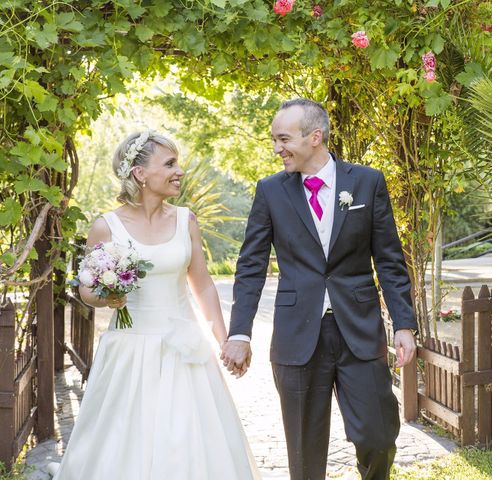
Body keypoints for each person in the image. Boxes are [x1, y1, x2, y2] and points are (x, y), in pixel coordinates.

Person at [221, 99, 417, 480]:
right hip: (297, 336)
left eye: (283, 139)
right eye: (274, 140)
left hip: (358, 331)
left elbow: (389, 260)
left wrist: (405, 324)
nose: (277, 148)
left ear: (315, 137)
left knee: (377, 436)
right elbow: (250, 267)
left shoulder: (367, 182)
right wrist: (240, 332)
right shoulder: (270, 191)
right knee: (304, 451)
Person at [48, 131, 260, 480]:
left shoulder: (186, 220)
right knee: (125, 441)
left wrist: (225, 339)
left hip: (185, 351)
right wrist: (106, 296)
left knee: (187, 442)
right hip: (129, 351)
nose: (179, 171)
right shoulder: (106, 227)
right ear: (139, 173)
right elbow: (87, 290)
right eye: (170, 164)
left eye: (177, 163)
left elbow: (203, 284)